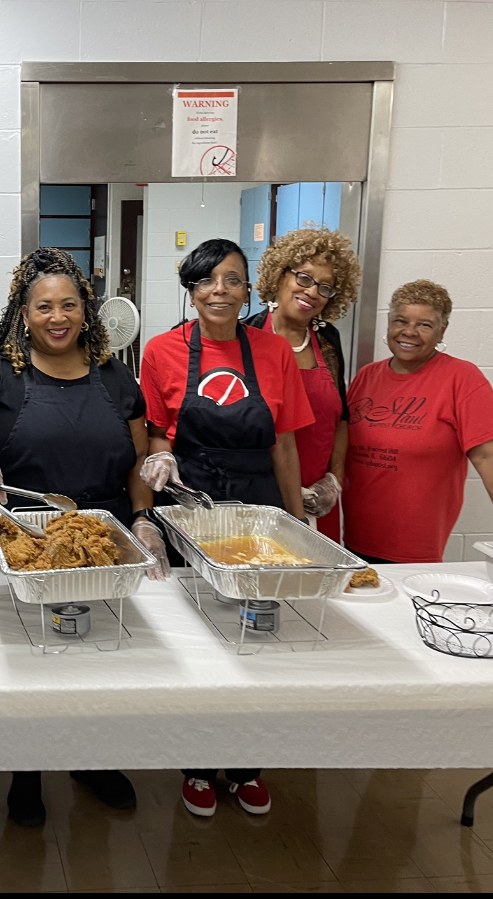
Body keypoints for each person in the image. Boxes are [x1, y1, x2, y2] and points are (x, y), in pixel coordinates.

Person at [0, 247, 170, 829]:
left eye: (69, 305)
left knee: (99, 659)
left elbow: (136, 460)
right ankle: (26, 771)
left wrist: (144, 517)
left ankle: (93, 760)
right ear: (24, 313)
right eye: (44, 306)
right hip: (19, 541)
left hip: (100, 543)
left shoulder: (116, 379)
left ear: (87, 311)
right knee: (27, 662)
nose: (57, 317)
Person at [138, 238, 316, 820]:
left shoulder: (274, 351)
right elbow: (157, 431)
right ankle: (195, 763)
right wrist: (159, 461)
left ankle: (246, 765)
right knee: (198, 635)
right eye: (207, 280)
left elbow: (284, 442)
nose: (220, 290)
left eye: (233, 279)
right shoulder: (162, 351)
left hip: (259, 505)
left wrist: (298, 520)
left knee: (258, 636)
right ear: (191, 290)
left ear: (248, 290)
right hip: (190, 504)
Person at [343, 280, 493, 564]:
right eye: (400, 321)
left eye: (424, 325)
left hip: (415, 547)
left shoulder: (461, 378)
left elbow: (490, 457)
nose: (409, 332)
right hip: (353, 539)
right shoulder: (367, 376)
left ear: (442, 330)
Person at [244, 229, 361, 542]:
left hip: (317, 501)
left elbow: (341, 418)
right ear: (280, 274)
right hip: (259, 496)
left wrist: (334, 479)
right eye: (304, 278)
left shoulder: (329, 341)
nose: (312, 292)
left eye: (325, 287)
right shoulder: (247, 337)